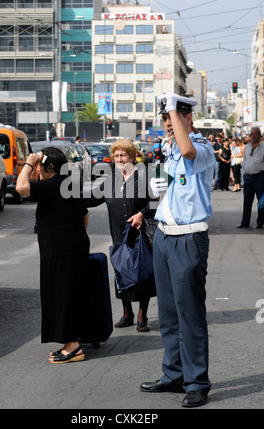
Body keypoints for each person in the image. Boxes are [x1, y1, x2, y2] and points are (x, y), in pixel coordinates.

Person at [140, 92, 215, 408]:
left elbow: (187, 150)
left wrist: (172, 108)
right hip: (164, 236)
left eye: (172, 117)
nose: (167, 123)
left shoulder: (202, 147)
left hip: (188, 239)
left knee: (190, 316)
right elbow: (172, 189)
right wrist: (157, 189)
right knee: (169, 315)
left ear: (188, 118)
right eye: (164, 119)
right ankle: (173, 375)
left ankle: (197, 382)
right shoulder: (170, 149)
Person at [16, 147, 90, 363]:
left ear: (50, 167)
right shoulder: (68, 183)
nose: (37, 170)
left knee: (62, 297)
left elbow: (20, 186)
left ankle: (73, 346)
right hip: (71, 247)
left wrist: (29, 162)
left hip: (60, 251)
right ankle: (70, 342)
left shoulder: (53, 184)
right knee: (67, 296)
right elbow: (84, 216)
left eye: (40, 166)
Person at [85, 138, 156, 332]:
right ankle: (127, 313)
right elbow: (92, 198)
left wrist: (142, 213)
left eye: (123, 155)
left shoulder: (145, 176)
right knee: (121, 270)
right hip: (118, 233)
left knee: (142, 272)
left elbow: (158, 202)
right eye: (115, 155)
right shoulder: (111, 179)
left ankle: (142, 315)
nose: (118, 158)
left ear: (132, 156)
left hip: (141, 233)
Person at [238, 127, 264, 229]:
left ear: (260, 135)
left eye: (256, 134)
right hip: (248, 177)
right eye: (252, 134)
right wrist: (243, 173)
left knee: (261, 201)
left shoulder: (263, 147)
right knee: (247, 201)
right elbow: (244, 161)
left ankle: (260, 223)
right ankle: (245, 222)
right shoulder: (248, 146)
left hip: (260, 177)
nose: (253, 136)